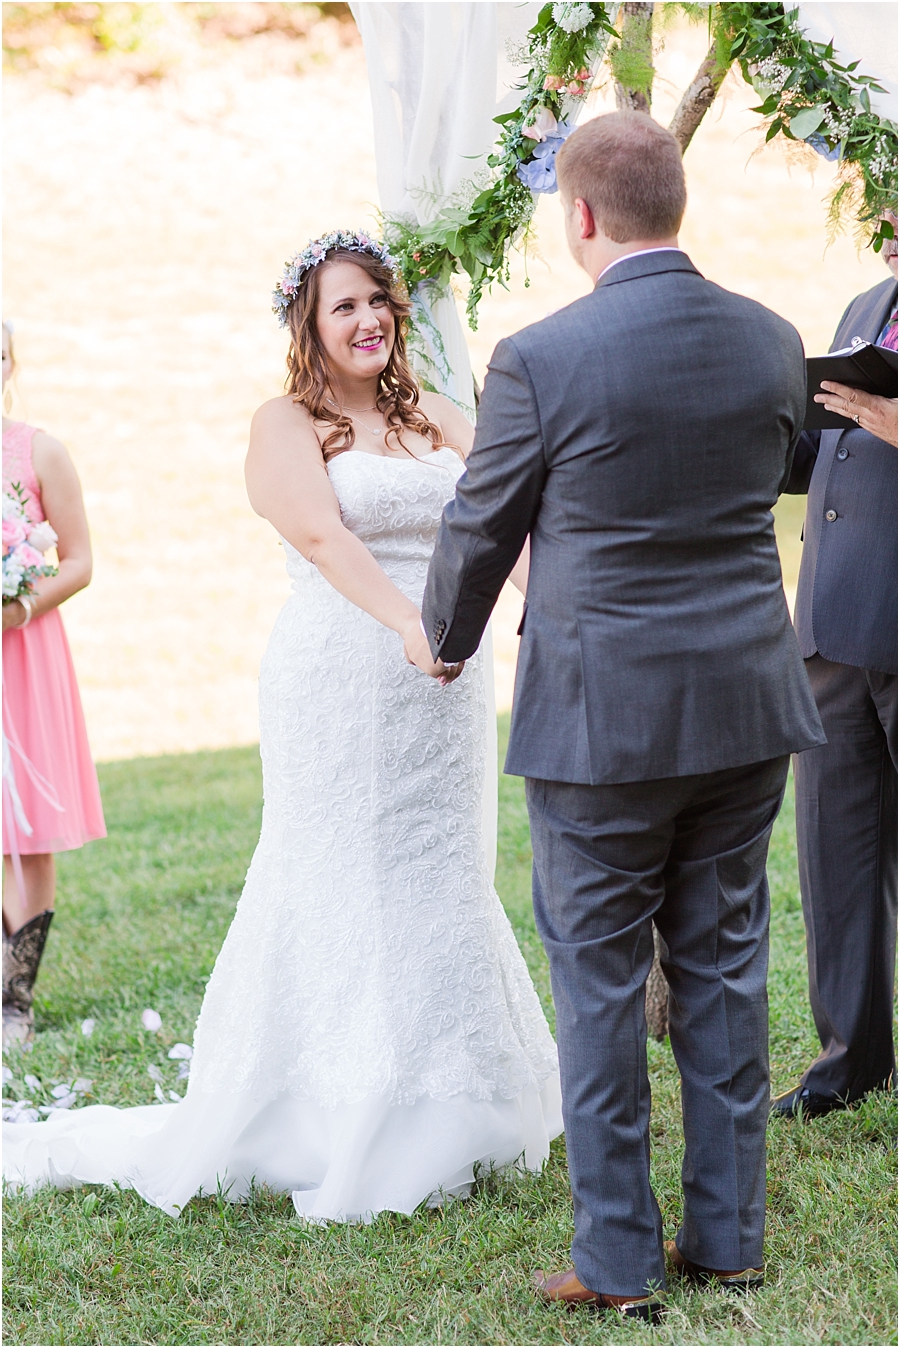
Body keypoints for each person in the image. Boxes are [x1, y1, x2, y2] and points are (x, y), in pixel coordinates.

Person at [3, 234, 562, 1222]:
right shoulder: (285, 424)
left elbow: (505, 525)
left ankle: (453, 1098)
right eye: (344, 306)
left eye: (378, 300)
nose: (368, 319)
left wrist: (550, 616)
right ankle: (332, 1108)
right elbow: (319, 533)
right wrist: (410, 623)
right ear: (309, 324)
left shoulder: (441, 415)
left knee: (439, 871)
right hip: (344, 671)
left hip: (447, 686)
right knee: (337, 871)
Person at [422, 112, 824, 1321]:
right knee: (727, 965)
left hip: (603, 723)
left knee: (599, 986)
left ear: (583, 215)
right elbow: (774, 474)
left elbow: (482, 523)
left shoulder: (542, 356)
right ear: (675, 204)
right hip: (746, 706)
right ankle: (731, 1236)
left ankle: (616, 1257)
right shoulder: (773, 339)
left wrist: (446, 638)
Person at [772, 215, 897, 1120]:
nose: (885, 224)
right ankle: (849, 1065)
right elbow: (829, 449)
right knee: (835, 862)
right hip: (831, 629)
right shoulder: (868, 304)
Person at [2, 320, 106, 1049]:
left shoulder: (40, 452)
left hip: (24, 654)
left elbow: (78, 560)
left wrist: (17, 605)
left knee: (27, 833)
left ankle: (15, 998)